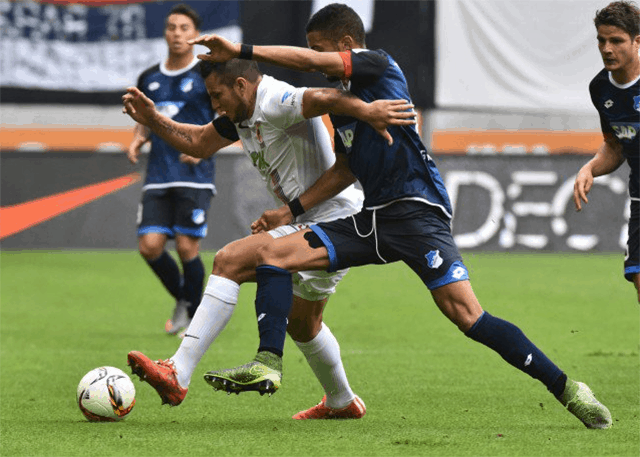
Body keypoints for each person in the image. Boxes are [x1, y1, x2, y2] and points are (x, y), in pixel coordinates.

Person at [191, 3, 613, 429]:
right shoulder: (345, 104)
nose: (317, 63)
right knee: (273, 254)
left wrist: (242, 48)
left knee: (468, 317)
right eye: (313, 52)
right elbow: (346, 167)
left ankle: (568, 389)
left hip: (416, 211)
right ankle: (268, 362)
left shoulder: (377, 65)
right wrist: (291, 209)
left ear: (346, 45)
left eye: (320, 50)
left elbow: (315, 63)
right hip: (371, 219)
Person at [123, 57, 416, 419]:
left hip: (333, 218)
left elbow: (325, 97)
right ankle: (342, 401)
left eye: (218, 96)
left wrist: (367, 110)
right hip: (317, 218)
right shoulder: (239, 117)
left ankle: (177, 372)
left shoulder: (275, 99)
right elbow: (198, 142)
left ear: (242, 86)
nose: (215, 105)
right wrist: (152, 119)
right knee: (303, 324)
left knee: (229, 260)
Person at [128, 4, 215, 335]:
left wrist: (203, 147)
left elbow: (223, 117)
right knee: (149, 246)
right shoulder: (149, 78)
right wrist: (137, 140)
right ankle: (185, 299)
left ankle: (193, 319)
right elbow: (144, 120)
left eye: (184, 28)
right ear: (165, 33)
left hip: (195, 176)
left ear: (195, 35)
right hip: (158, 175)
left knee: (185, 247)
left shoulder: (205, 74)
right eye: (171, 27)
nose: (177, 33)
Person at [574, 1, 640, 304]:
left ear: (637, 41)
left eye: (616, 40)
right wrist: (589, 168)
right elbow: (615, 146)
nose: (607, 48)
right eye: (602, 40)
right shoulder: (600, 88)